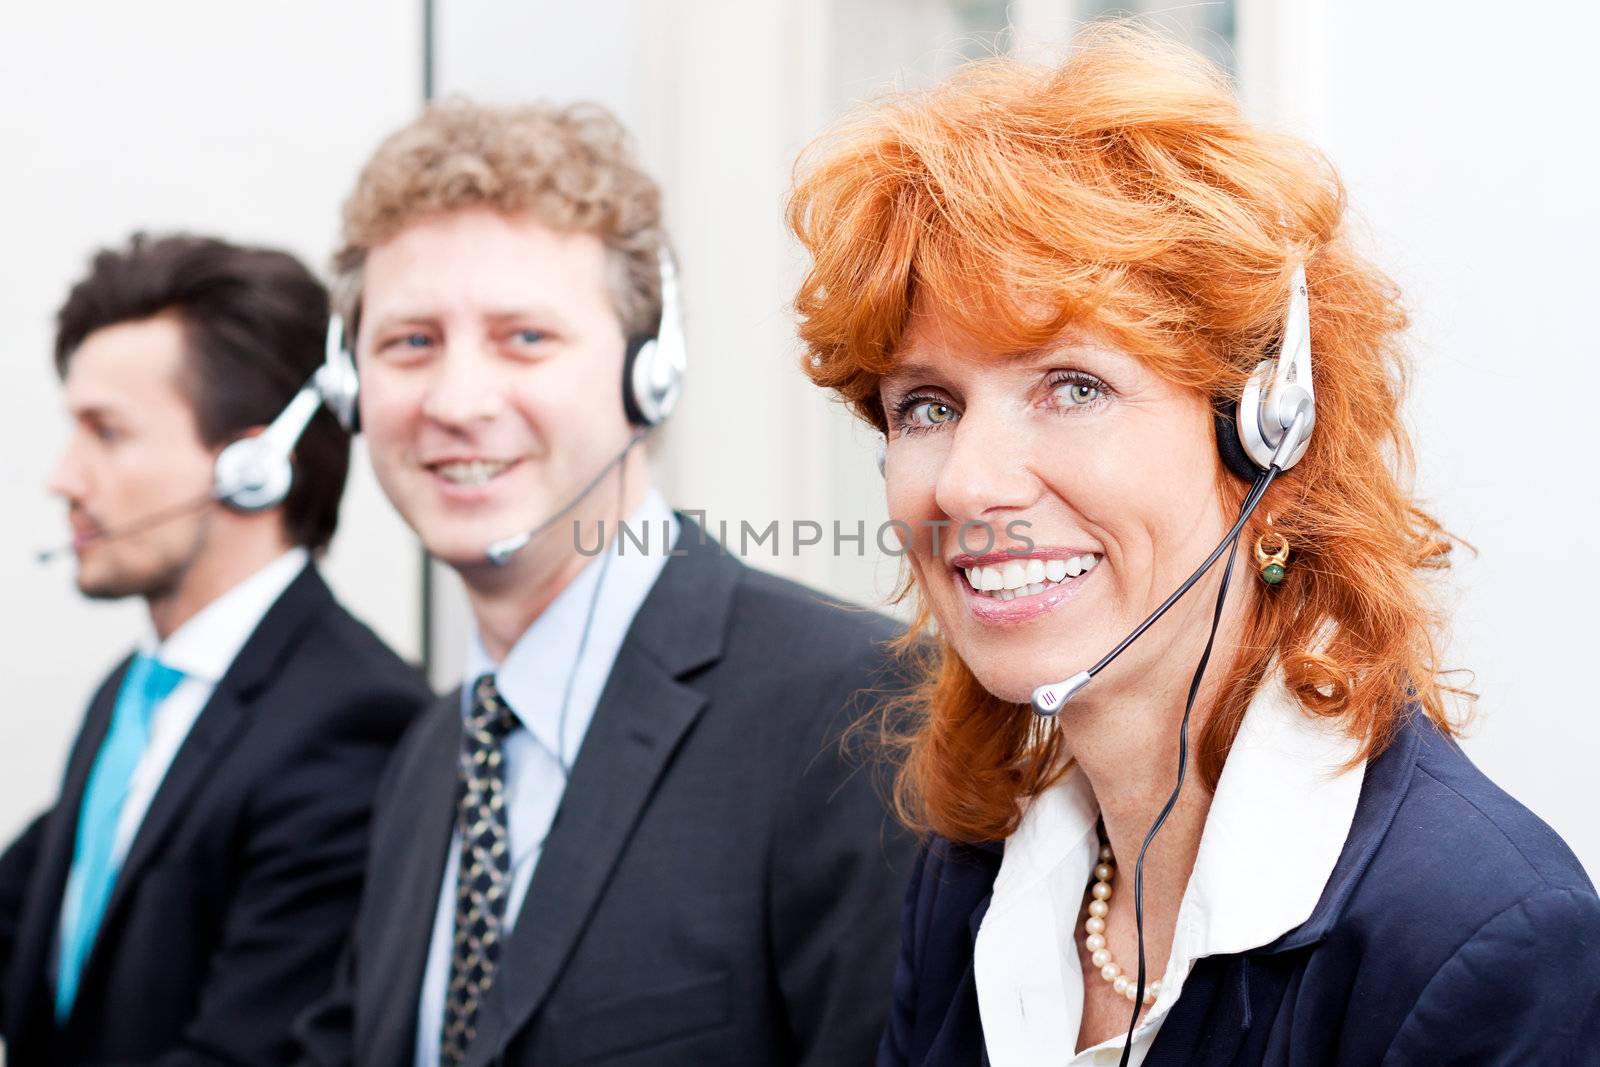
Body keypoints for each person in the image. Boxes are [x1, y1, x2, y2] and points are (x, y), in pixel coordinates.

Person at [787, 25, 1600, 1067]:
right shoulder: (974, 875)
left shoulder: (1472, 939)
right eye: (926, 405)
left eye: (1071, 387)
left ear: (1268, 437)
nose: (966, 483)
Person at [294, 99, 912, 1067]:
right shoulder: (426, 759)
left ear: (648, 372)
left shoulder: (849, 706)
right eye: (410, 342)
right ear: (350, 388)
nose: (456, 402)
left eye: (523, 338)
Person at [0, 234, 433, 1064]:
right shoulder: (134, 692)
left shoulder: (352, 720)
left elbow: (248, 1052)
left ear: (252, 465)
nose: (65, 477)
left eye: (107, 432)